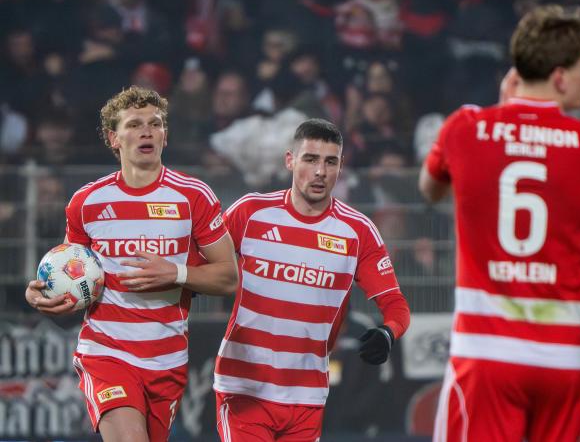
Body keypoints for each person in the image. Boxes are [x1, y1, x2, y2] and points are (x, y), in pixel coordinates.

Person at [418, 5, 580, 442]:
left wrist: (500, 122)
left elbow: (430, 190)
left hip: (486, 353)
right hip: (567, 357)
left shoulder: (465, 127)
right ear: (561, 77)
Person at [24, 86, 239, 442]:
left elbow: (228, 277)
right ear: (114, 138)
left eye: (155, 124)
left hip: (167, 358)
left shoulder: (193, 197)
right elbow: (69, 273)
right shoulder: (87, 202)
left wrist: (177, 273)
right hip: (107, 352)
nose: (147, 131)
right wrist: (43, 297)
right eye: (135, 124)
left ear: (165, 136)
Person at [214, 118, 410, 441]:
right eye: (310, 159)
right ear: (290, 160)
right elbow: (202, 263)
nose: (320, 171)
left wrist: (388, 333)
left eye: (330, 162)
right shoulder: (250, 213)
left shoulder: (358, 232)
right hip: (244, 388)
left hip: (307, 397)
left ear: (341, 166)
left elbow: (395, 303)